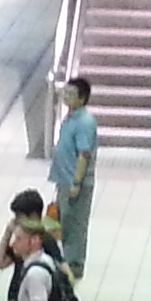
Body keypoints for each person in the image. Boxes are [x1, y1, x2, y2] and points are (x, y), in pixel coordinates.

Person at [50, 77, 99, 278]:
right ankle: (66, 261)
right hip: (65, 180)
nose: (66, 97)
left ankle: (74, 264)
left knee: (74, 224)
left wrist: (76, 182)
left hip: (75, 183)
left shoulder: (85, 122)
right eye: (66, 93)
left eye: (71, 94)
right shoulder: (70, 118)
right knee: (65, 221)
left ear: (82, 98)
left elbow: (84, 154)